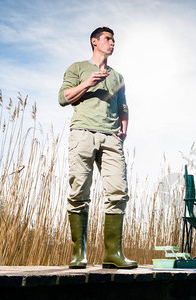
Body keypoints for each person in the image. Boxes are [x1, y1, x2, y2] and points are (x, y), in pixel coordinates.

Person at [58, 27, 137, 269]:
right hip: (82, 134)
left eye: (114, 40)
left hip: (111, 138)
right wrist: (87, 83)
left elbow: (123, 106)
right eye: (108, 39)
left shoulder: (118, 77)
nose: (112, 43)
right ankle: (78, 255)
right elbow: (63, 97)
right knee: (79, 193)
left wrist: (123, 127)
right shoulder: (78, 68)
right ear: (95, 41)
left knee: (118, 191)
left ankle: (113, 254)